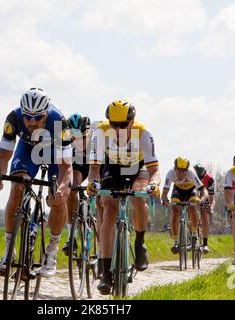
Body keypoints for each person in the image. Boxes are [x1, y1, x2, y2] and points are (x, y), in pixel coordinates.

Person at [0, 88, 72, 278]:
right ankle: (9, 250)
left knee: (58, 198)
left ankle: (51, 250)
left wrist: (60, 189)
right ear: (22, 113)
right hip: (27, 149)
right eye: (28, 117)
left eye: (38, 118)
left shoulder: (59, 122)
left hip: (53, 154)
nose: (32, 122)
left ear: (46, 113)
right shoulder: (13, 118)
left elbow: (66, 168)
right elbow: (3, 156)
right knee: (16, 187)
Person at [87, 99, 161, 295]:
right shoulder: (100, 132)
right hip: (113, 168)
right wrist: (93, 184)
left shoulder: (143, 133)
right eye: (114, 124)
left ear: (132, 121)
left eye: (123, 124)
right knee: (109, 207)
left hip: (139, 169)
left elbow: (154, 170)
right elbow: (94, 169)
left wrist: (154, 185)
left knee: (139, 196)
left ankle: (140, 241)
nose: (118, 129)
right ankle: (105, 272)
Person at [161, 158, 208, 254]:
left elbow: (203, 191)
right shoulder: (170, 174)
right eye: (179, 170)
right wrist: (165, 199)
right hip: (177, 191)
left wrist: (201, 199)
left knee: (192, 207)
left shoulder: (191, 173)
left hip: (191, 191)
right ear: (175, 169)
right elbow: (164, 193)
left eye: (184, 170)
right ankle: (175, 242)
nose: (182, 173)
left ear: (187, 169)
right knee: (174, 210)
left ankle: (194, 234)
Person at [62, 113, 91, 255]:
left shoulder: (98, 140)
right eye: (75, 138)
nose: (79, 142)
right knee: (72, 187)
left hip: (97, 163)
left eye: (83, 138)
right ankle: (71, 237)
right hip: (79, 162)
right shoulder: (65, 141)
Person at [193, 164, 216, 253]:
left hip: (205, 197)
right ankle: (191, 234)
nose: (200, 180)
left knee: (204, 212)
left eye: (201, 178)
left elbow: (212, 198)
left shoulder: (210, 180)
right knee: (190, 208)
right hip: (195, 194)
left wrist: (212, 208)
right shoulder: (192, 176)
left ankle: (205, 244)